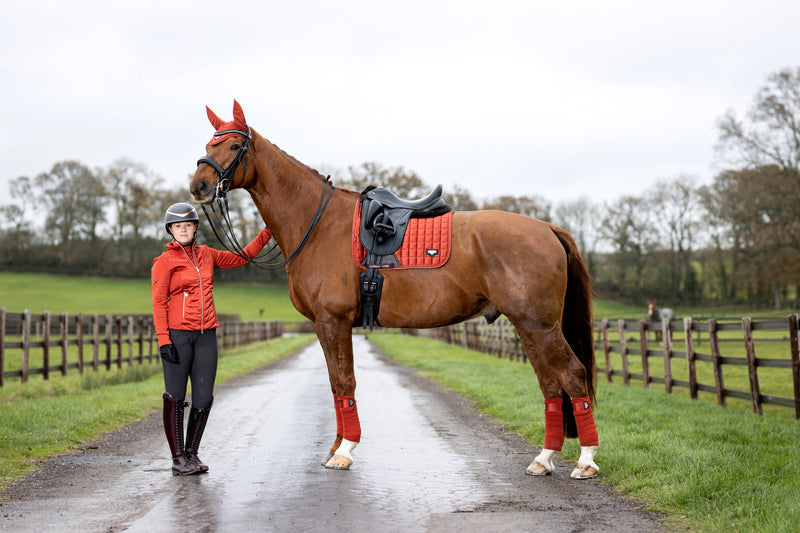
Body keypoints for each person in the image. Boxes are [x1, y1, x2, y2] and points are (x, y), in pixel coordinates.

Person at [151, 202, 272, 475]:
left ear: (195, 228)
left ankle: (192, 453)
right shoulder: (164, 262)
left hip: (206, 335)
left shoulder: (207, 254)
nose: (183, 229)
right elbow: (158, 304)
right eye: (178, 226)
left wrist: (267, 232)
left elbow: (242, 257)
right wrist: (164, 340)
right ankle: (178, 459)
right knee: (176, 396)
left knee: (204, 397)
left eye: (188, 225)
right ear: (170, 230)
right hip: (178, 336)